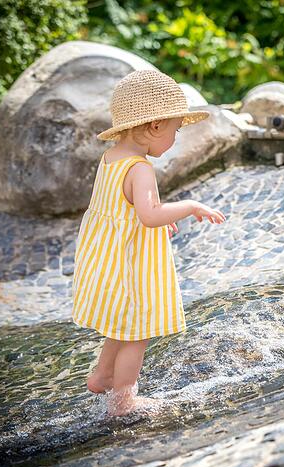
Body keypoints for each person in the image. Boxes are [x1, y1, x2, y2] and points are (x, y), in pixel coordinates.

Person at [71, 69, 226, 416]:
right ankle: (123, 403)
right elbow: (149, 214)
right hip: (131, 268)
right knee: (137, 333)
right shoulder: (140, 168)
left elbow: (124, 210)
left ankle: (101, 375)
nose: (175, 137)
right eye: (175, 129)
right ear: (155, 126)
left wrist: (156, 224)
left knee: (121, 323)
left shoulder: (111, 158)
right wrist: (188, 207)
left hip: (110, 258)